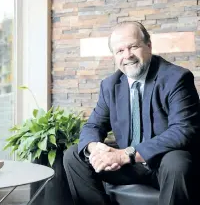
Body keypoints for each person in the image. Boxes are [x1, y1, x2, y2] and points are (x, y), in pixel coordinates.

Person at [63, 21, 200, 205]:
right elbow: (93, 125)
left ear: (149, 46)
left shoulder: (176, 78)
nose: (127, 55)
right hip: (128, 166)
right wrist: (95, 149)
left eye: (133, 47)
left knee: (177, 161)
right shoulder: (110, 85)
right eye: (120, 51)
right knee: (74, 155)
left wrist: (126, 154)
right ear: (114, 56)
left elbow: (183, 130)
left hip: (163, 163)